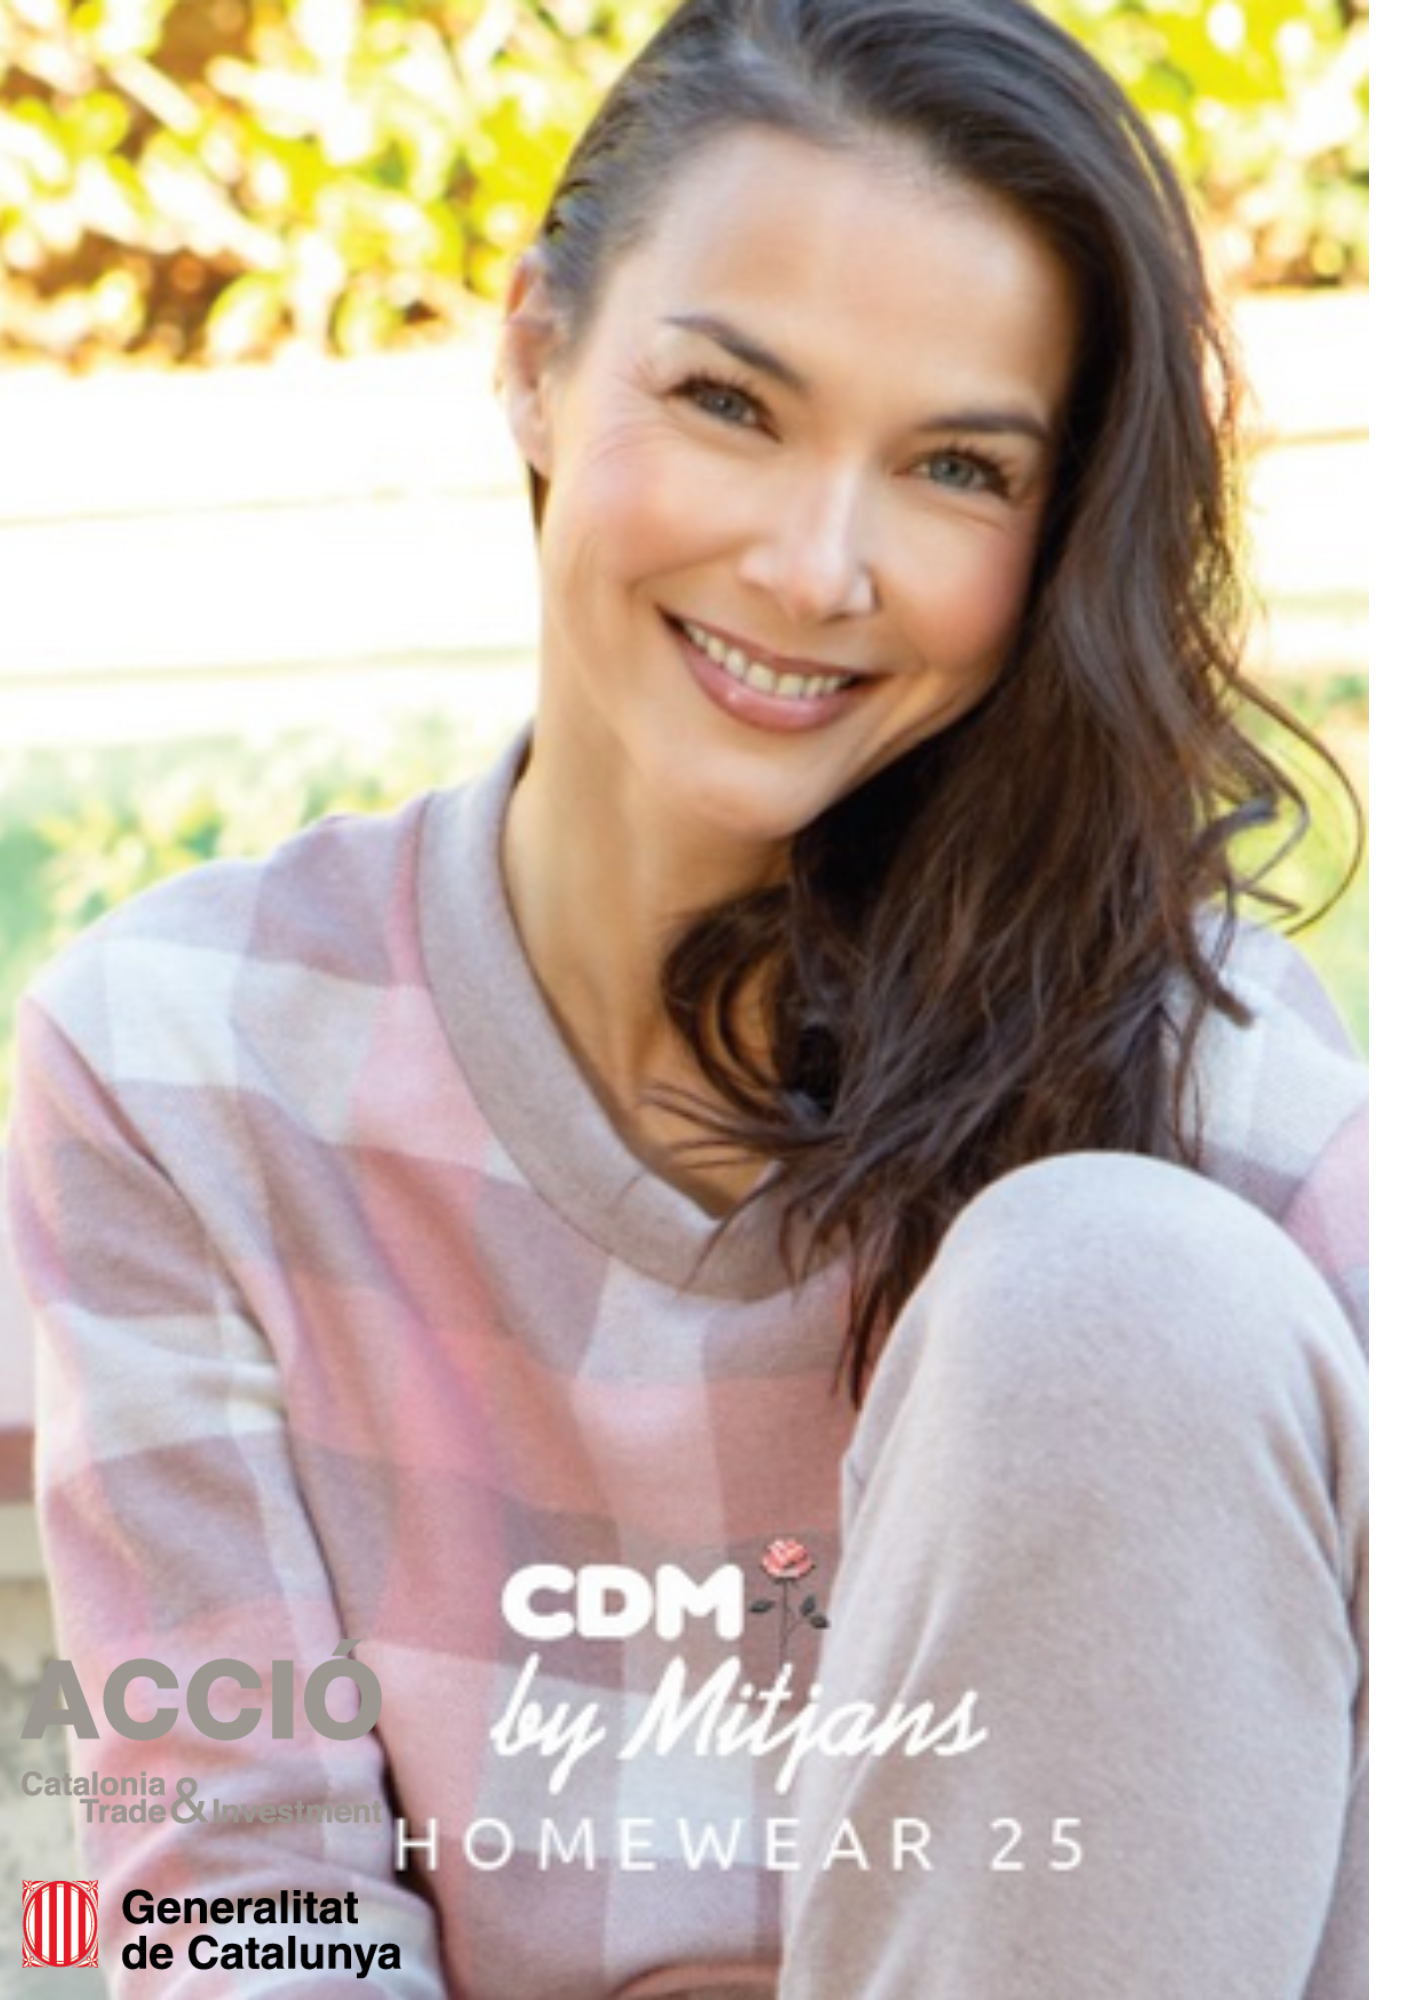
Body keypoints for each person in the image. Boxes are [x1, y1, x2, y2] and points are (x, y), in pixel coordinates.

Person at [6, 1, 1366, 1995]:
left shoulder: (1208, 1087)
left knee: (1111, 1288)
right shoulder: (181, 1059)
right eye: (731, 401)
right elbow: (234, 1906)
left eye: (956, 466)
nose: (814, 566)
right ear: (533, 356)